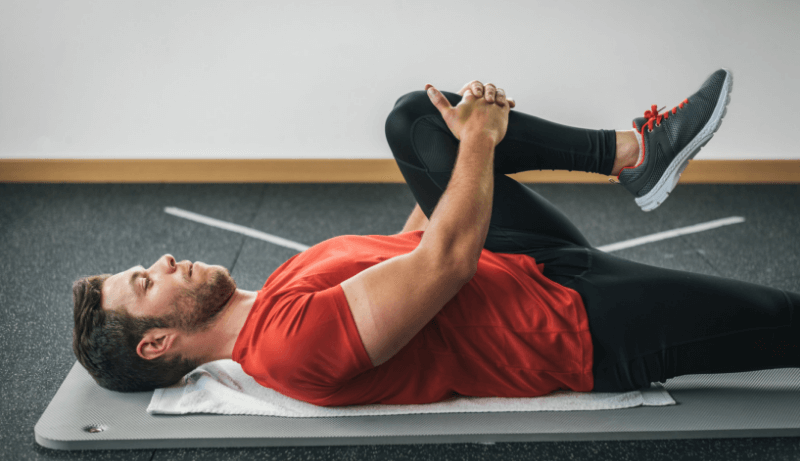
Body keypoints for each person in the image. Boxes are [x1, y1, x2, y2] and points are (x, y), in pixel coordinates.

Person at [72, 69, 800, 405]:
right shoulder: (286, 348)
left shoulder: (272, 298)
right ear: (157, 343)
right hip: (580, 327)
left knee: (412, 123)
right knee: (785, 324)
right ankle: (639, 160)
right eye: (145, 282)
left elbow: (411, 247)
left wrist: (451, 155)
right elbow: (445, 263)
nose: (161, 262)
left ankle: (635, 155)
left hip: (526, 261)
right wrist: (479, 144)